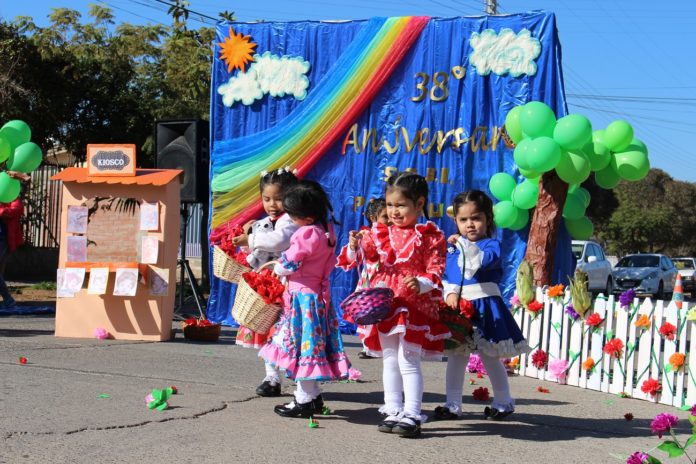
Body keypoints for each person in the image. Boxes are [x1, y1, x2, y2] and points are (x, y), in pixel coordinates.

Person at [337, 172, 448, 438]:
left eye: (400, 205)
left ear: (419, 204)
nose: (394, 212)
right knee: (389, 358)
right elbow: (361, 258)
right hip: (386, 303)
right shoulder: (379, 233)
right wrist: (355, 246)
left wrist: (420, 283)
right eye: (390, 205)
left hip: (414, 305)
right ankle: (393, 408)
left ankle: (412, 412)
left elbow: (436, 270)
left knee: (408, 359)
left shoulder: (430, 236)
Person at [433, 190, 529, 421]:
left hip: (486, 306)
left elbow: (482, 262)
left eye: (476, 218)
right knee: (457, 356)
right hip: (460, 307)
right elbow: (450, 273)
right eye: (463, 220)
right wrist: (450, 292)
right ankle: (453, 404)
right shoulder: (454, 248)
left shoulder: (491, 245)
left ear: (487, 219)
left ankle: (504, 402)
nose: (470, 225)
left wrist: (463, 245)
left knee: (490, 356)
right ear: (455, 221)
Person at [259, 180, 350, 418]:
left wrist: (278, 268)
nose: (289, 217)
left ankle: (304, 400)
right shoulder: (325, 230)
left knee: (302, 349)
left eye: (293, 214)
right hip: (317, 298)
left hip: (302, 300)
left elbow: (287, 263)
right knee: (310, 348)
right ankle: (313, 396)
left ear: (306, 217)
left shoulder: (306, 234)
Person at [231, 168, 299, 397]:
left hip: (287, 283)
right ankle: (271, 377)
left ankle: (300, 379)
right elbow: (256, 256)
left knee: (286, 332)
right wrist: (244, 249)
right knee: (265, 329)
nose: (272, 204)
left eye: (278, 199)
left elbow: (280, 241)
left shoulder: (291, 221)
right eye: (267, 199)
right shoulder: (260, 224)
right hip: (266, 284)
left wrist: (251, 238)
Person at [355, 198, 388, 360]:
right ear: (373, 218)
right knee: (368, 311)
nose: (389, 220)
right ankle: (367, 346)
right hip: (372, 277)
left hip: (388, 278)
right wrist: (355, 243)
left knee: (385, 313)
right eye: (384, 217)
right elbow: (363, 253)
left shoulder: (396, 233)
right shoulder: (367, 234)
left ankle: (384, 344)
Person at [0, 197, 24, 308]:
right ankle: (7, 299)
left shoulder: (12, 196)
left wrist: (1, 211)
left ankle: (8, 299)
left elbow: (17, 210)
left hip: (3, 239)